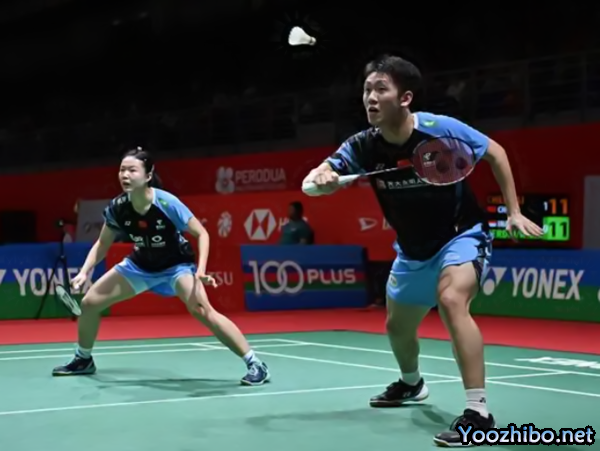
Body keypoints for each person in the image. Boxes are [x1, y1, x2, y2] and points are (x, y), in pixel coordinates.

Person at [302, 55, 543, 447]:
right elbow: (317, 176)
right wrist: (323, 177)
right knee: (397, 328)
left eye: (381, 89)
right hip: (413, 250)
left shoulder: (438, 129)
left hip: (460, 235)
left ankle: (479, 412)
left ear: (405, 98)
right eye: (367, 89)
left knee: (451, 300)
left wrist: (513, 211)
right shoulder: (363, 145)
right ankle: (412, 383)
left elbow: (495, 152)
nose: (371, 97)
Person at [52, 148, 270, 386]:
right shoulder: (118, 207)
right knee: (89, 303)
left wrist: (200, 271)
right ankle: (83, 359)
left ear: (148, 175)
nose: (125, 175)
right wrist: (85, 272)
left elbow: (202, 233)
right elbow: (102, 244)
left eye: (132, 170)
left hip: (176, 265)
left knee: (201, 309)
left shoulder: (166, 202)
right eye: (122, 170)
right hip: (141, 265)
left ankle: (255, 364)